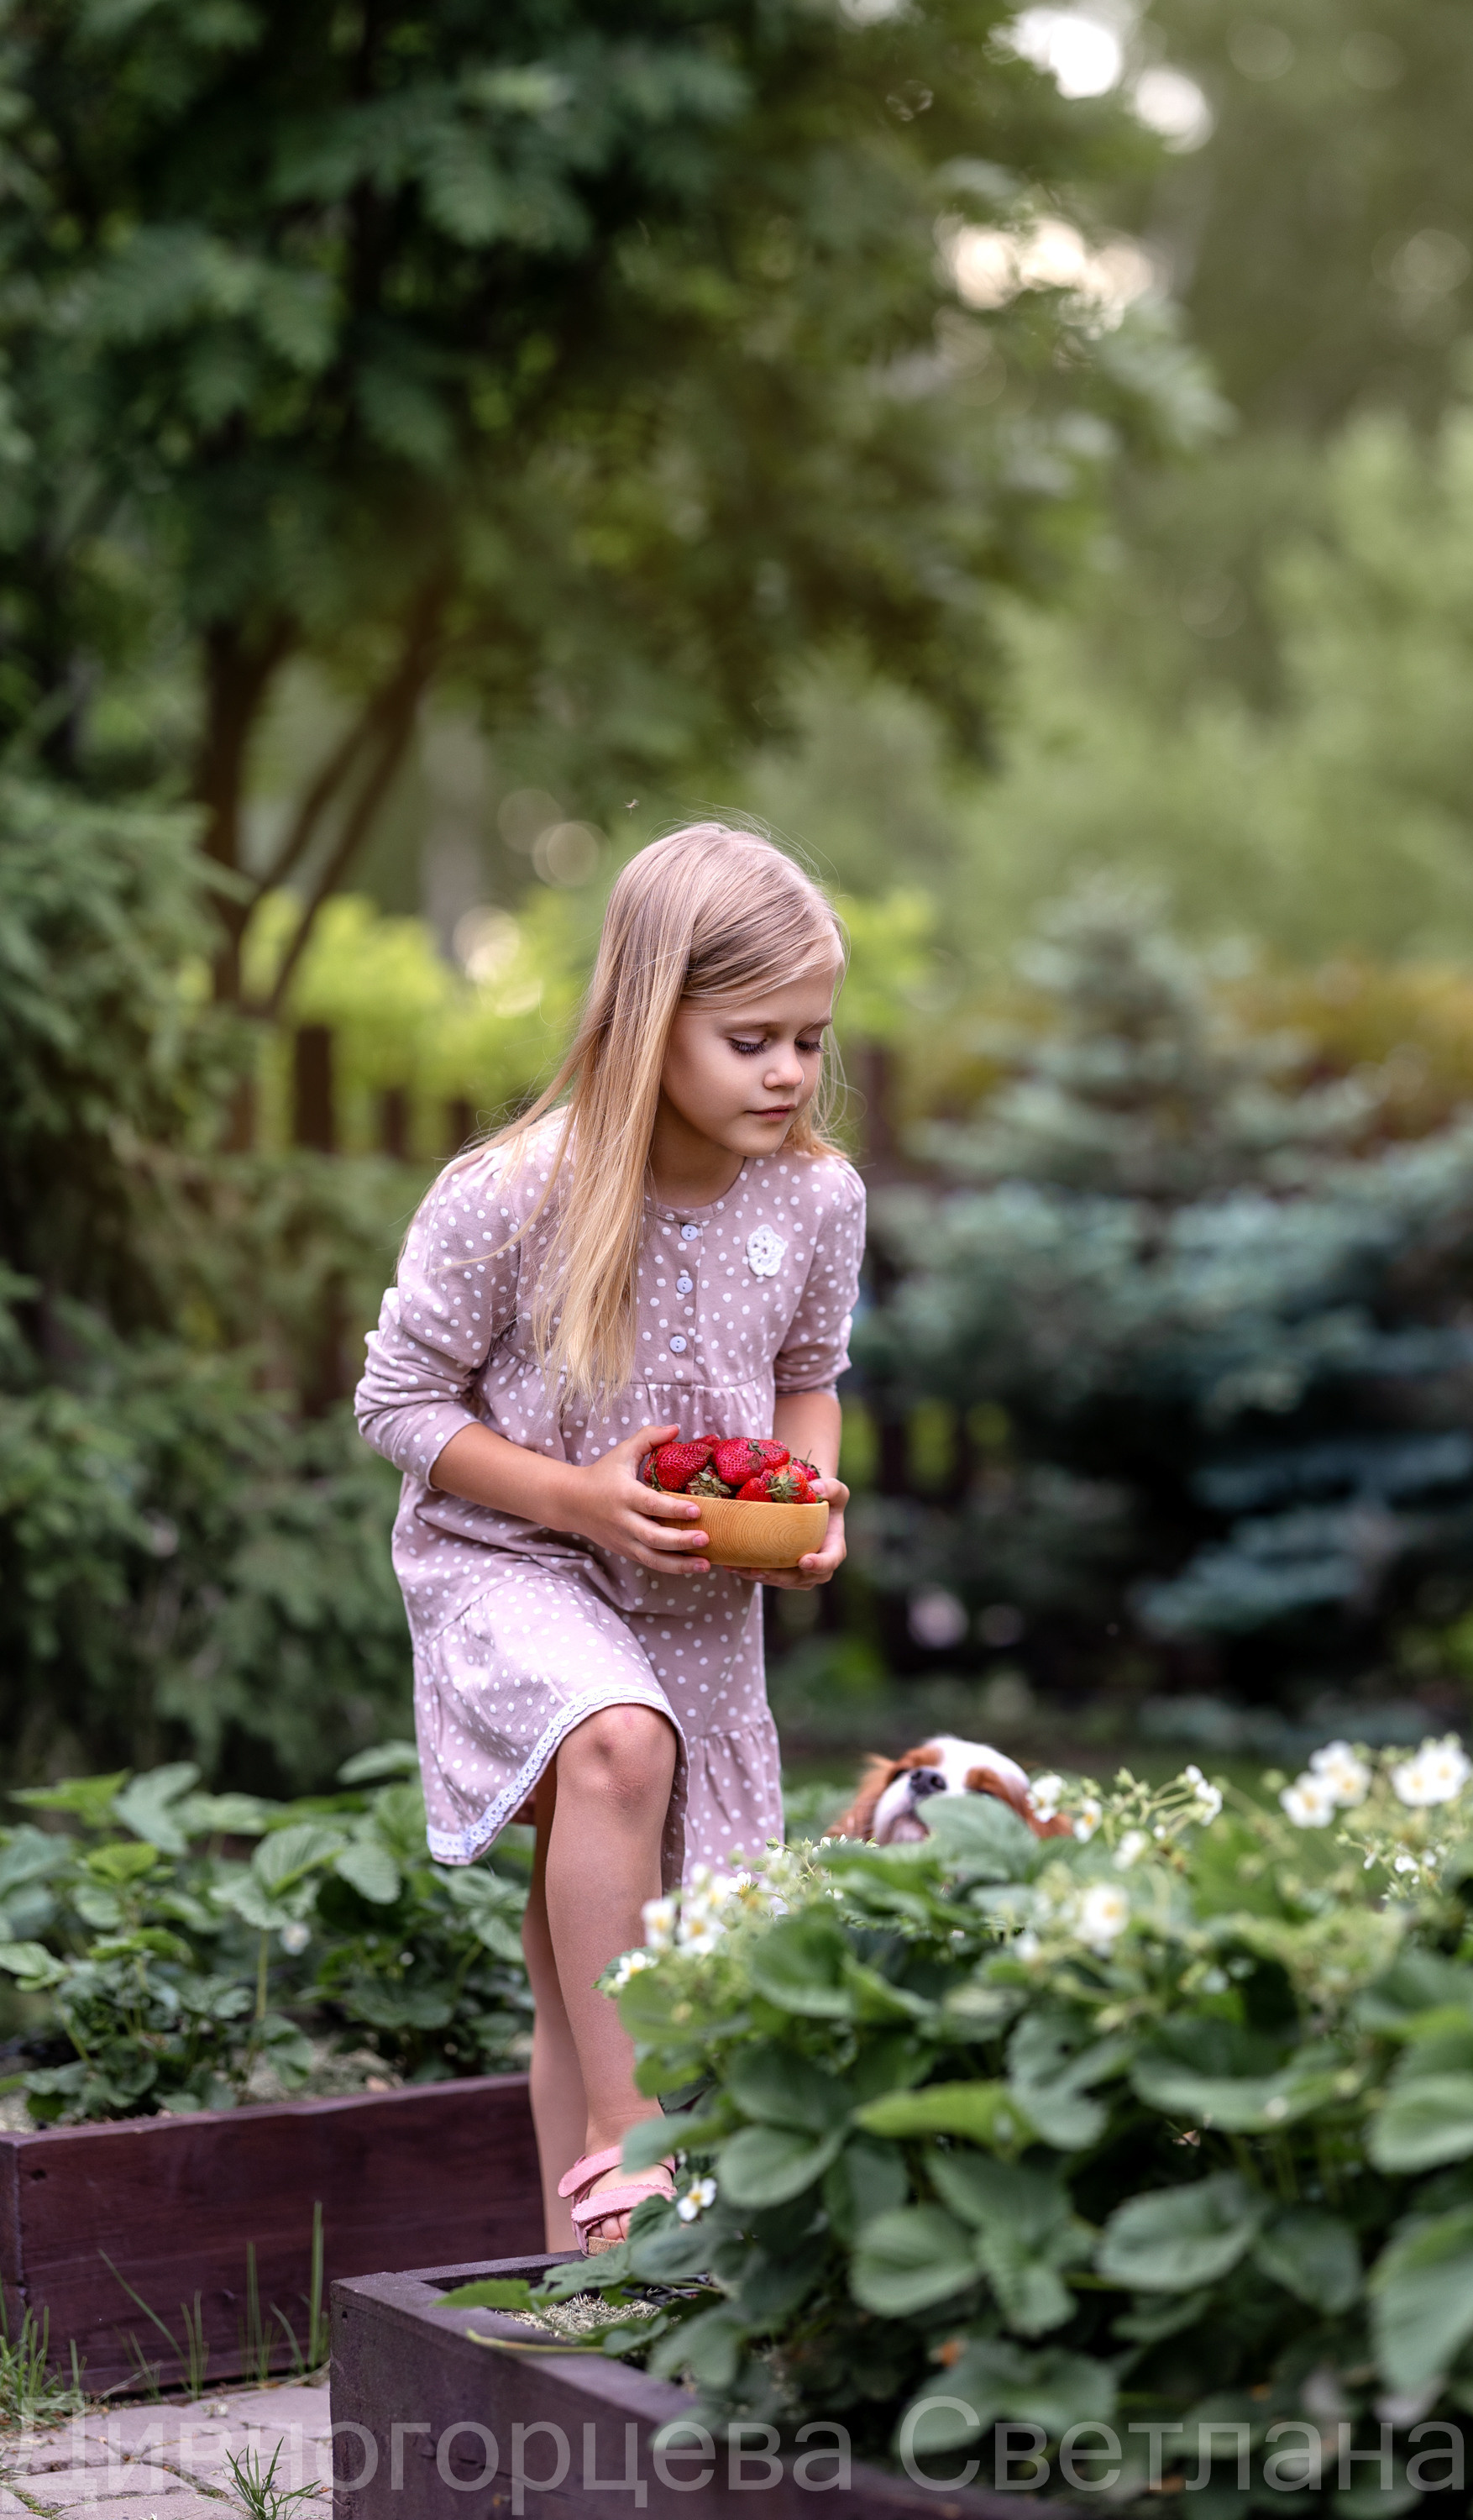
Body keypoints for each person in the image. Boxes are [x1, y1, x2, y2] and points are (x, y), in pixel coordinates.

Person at [354, 824, 862, 2251]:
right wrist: (579, 1496)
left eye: (810, 1041)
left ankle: (590, 2275)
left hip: (695, 1599)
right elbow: (395, 1404)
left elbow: (809, 1378)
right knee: (619, 1744)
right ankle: (626, 2147)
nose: (787, 1074)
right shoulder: (516, 1193)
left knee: (641, 1913)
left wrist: (809, 1498)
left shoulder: (818, 1197)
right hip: (511, 1556)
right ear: (652, 1020)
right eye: (750, 1037)